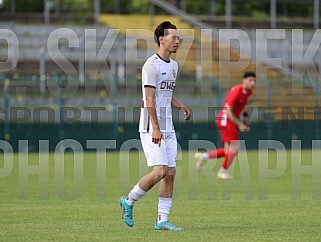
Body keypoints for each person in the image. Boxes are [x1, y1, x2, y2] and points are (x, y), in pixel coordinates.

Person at [119, 21, 191, 230]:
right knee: (160, 171)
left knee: (170, 173)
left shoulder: (174, 66)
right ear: (162, 39)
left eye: (179, 38)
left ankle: (162, 220)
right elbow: (149, 98)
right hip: (152, 126)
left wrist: (180, 105)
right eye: (174, 38)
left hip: (168, 126)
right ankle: (129, 200)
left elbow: (164, 94)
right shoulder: (151, 65)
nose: (178, 41)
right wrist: (156, 127)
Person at [195, 72, 256, 179]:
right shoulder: (237, 90)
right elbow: (228, 111)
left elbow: (243, 104)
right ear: (244, 80)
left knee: (228, 151)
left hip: (229, 120)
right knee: (235, 148)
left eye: (254, 80)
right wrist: (240, 124)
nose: (253, 83)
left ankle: (203, 156)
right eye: (250, 80)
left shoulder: (249, 91)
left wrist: (246, 116)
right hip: (226, 119)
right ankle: (222, 171)